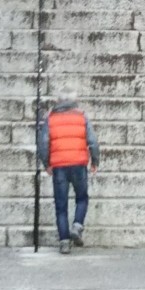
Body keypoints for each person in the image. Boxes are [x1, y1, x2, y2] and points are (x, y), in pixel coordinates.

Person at [37, 98, 99, 253]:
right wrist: (95, 161)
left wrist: (46, 164)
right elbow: (93, 141)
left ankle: (64, 242)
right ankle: (77, 226)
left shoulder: (51, 118)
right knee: (82, 198)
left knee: (61, 205)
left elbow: (43, 143)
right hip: (79, 164)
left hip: (59, 166)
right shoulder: (82, 116)